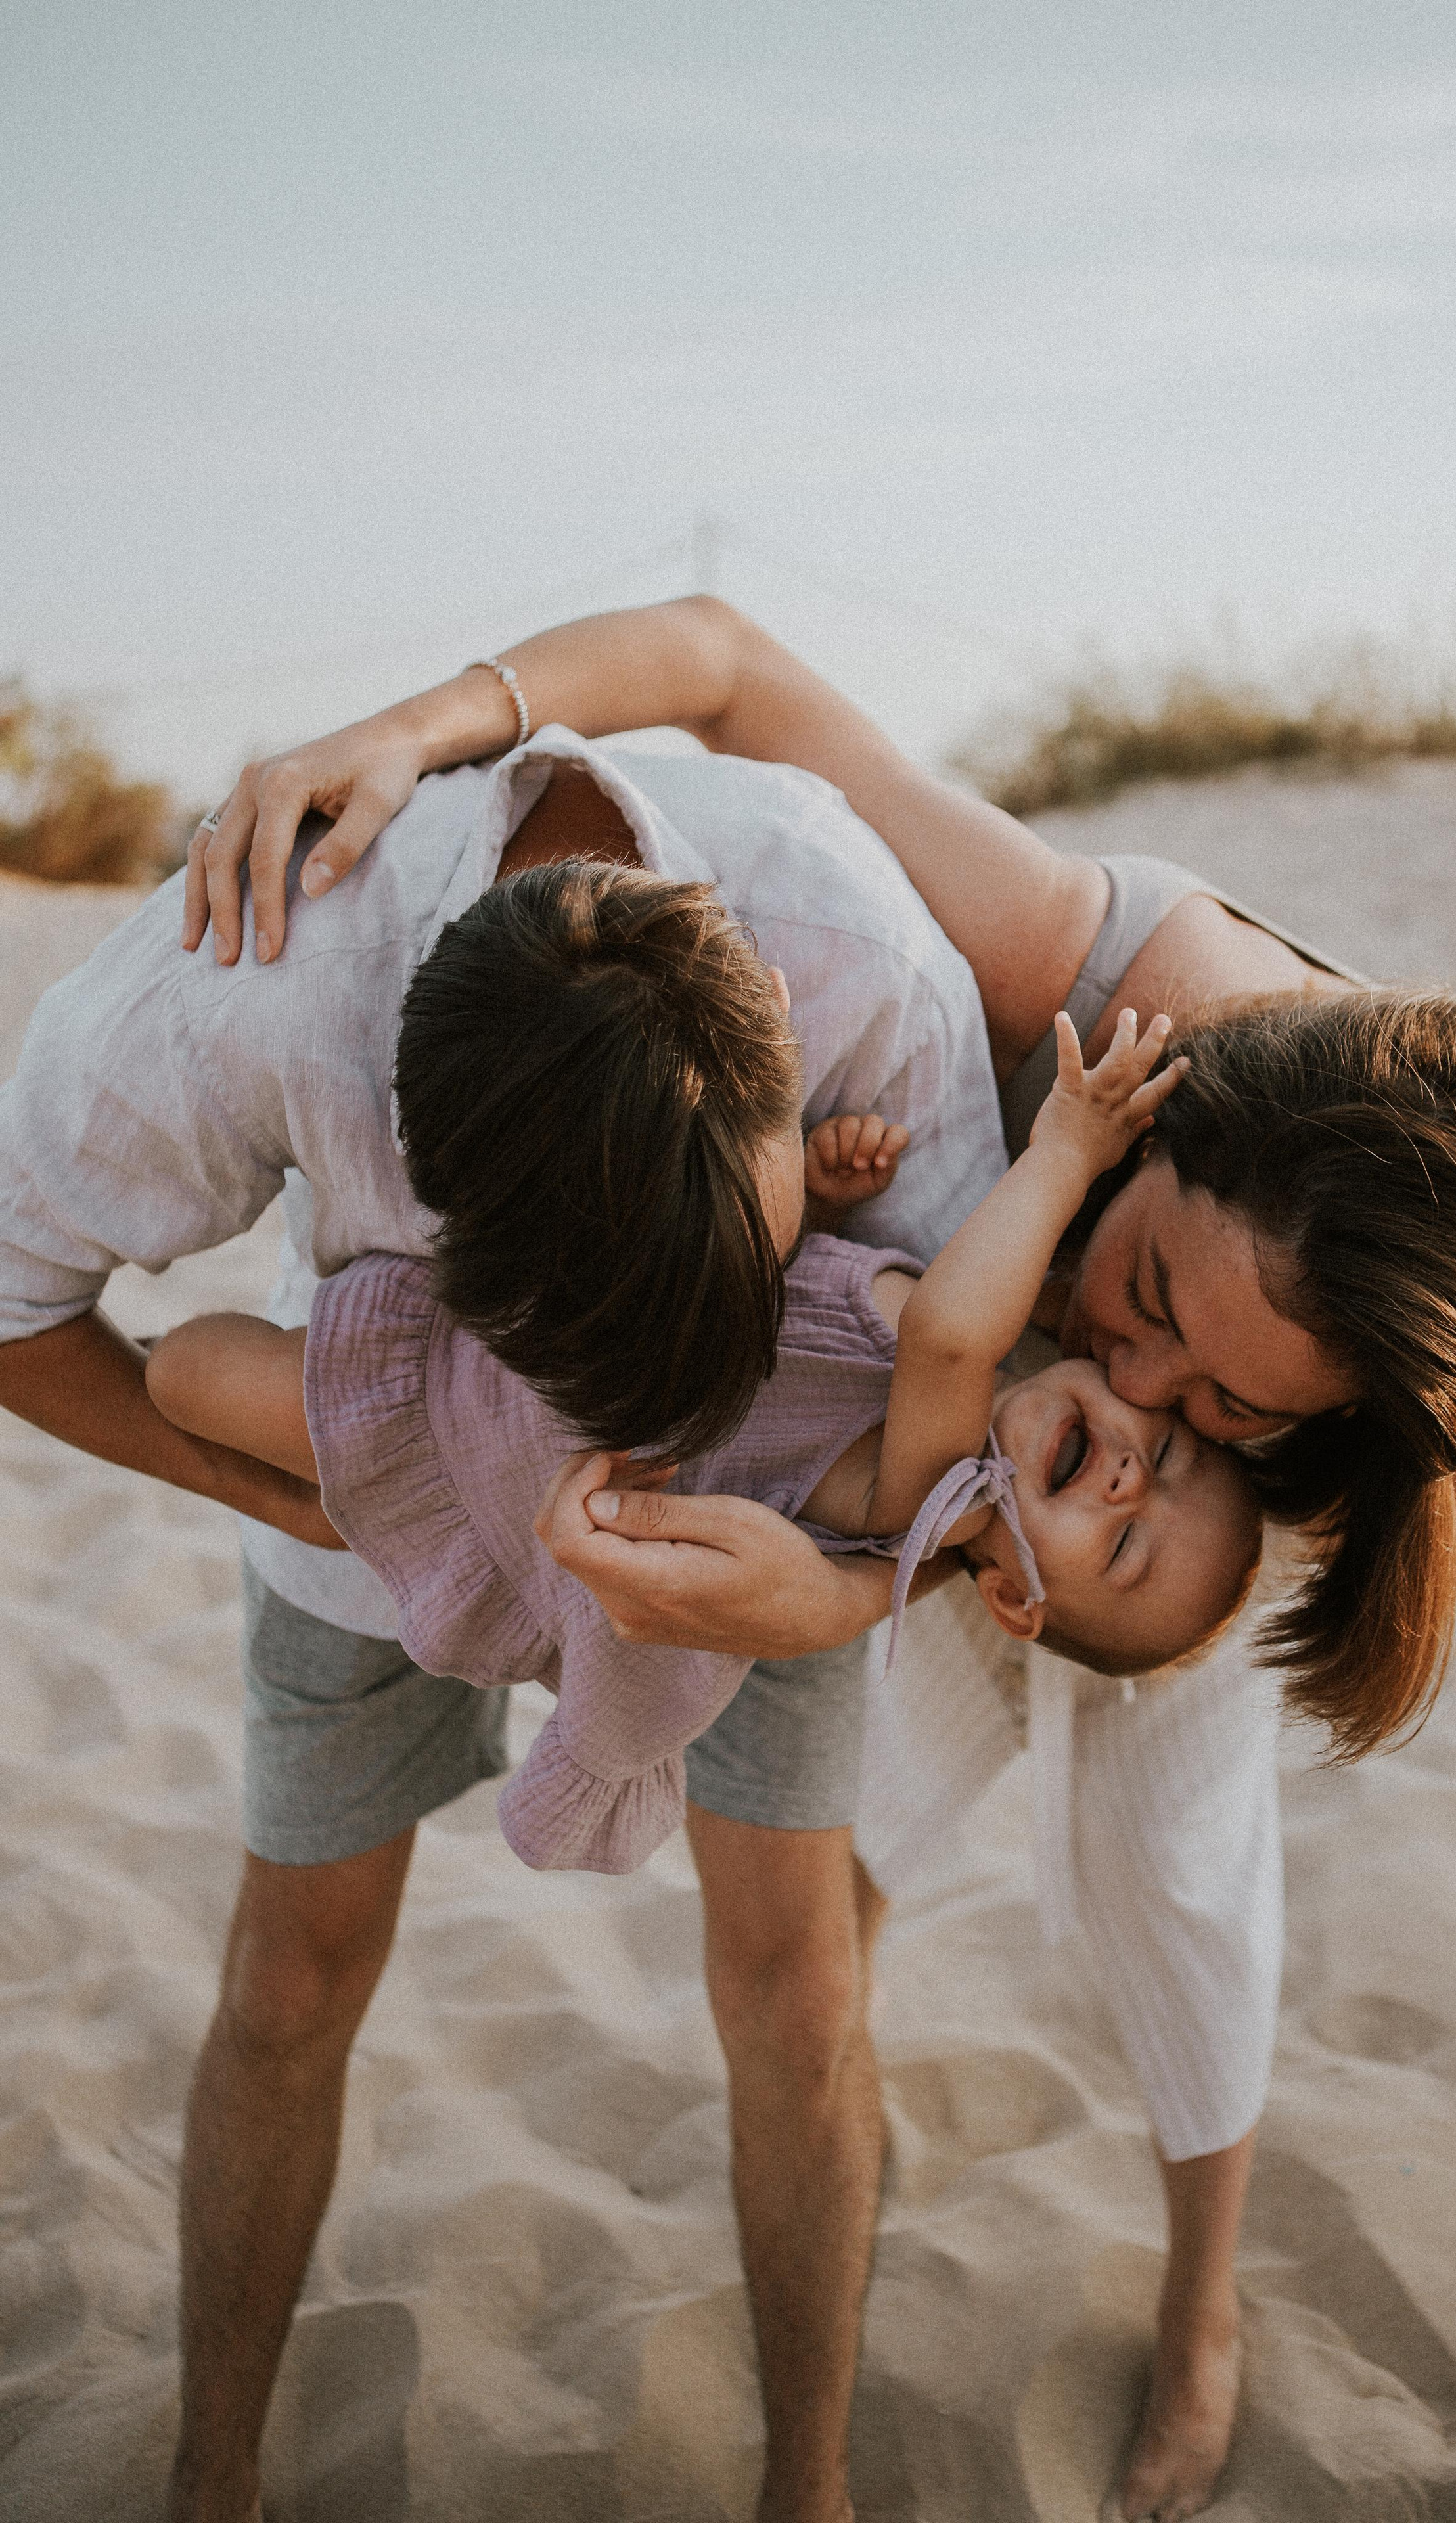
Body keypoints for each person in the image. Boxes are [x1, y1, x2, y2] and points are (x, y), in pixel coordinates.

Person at [187, 597, 1456, 2520]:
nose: (1148, 1373)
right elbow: (722, 663)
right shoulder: (1094, 971)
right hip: (913, 1460)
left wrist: (1146, 1521)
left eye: (1241, 1390)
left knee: (1179, 1880)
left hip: (1163, 1565)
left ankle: (1201, 2312)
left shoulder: (1416, 1320)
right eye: (1156, 1292)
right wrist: (415, 724)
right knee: (846, 1880)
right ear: (1158, 1121)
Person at [0, 714, 1007, 2523]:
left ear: (781, 1048)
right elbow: (13, 1304)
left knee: (795, 1987)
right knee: (293, 1976)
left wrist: (840, 1586)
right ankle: (208, 2476)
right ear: (424, 1196)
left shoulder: (860, 959)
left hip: (765, 1512)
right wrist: (333, 1509)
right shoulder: (257, 989)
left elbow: (962, 1428)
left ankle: (816, 2491)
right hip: (378, 1471)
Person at [145, 871, 1262, 1883]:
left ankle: (273, 1457)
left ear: (1016, 1598)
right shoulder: (955, 1371)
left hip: (477, 1428)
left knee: (189, 1373)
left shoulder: (925, 1495)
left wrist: (1068, 1149)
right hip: (556, 1330)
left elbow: (950, 1339)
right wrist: (815, 1199)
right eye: (1163, 1454)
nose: (1126, 1482)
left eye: (1124, 1546)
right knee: (229, 1369)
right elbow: (796, 1311)